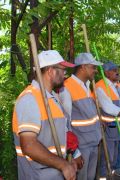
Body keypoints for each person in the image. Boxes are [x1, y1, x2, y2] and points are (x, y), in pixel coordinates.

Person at [12, 50, 78, 180]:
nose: (65, 74)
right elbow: (29, 145)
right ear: (50, 71)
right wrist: (63, 165)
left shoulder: (51, 98)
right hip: (38, 175)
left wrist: (71, 157)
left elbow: (59, 133)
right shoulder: (30, 99)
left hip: (53, 173)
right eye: (63, 69)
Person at [59, 53, 102, 180]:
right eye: (93, 67)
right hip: (81, 147)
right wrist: (75, 152)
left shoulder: (87, 86)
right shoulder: (66, 88)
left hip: (94, 142)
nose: (95, 70)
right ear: (83, 67)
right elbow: (64, 123)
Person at [96, 61, 120, 175]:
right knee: (107, 157)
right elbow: (109, 108)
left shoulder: (114, 86)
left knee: (113, 156)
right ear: (107, 73)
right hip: (108, 128)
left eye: (117, 70)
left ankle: (110, 174)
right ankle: (104, 176)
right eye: (114, 70)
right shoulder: (100, 86)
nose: (118, 73)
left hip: (117, 127)